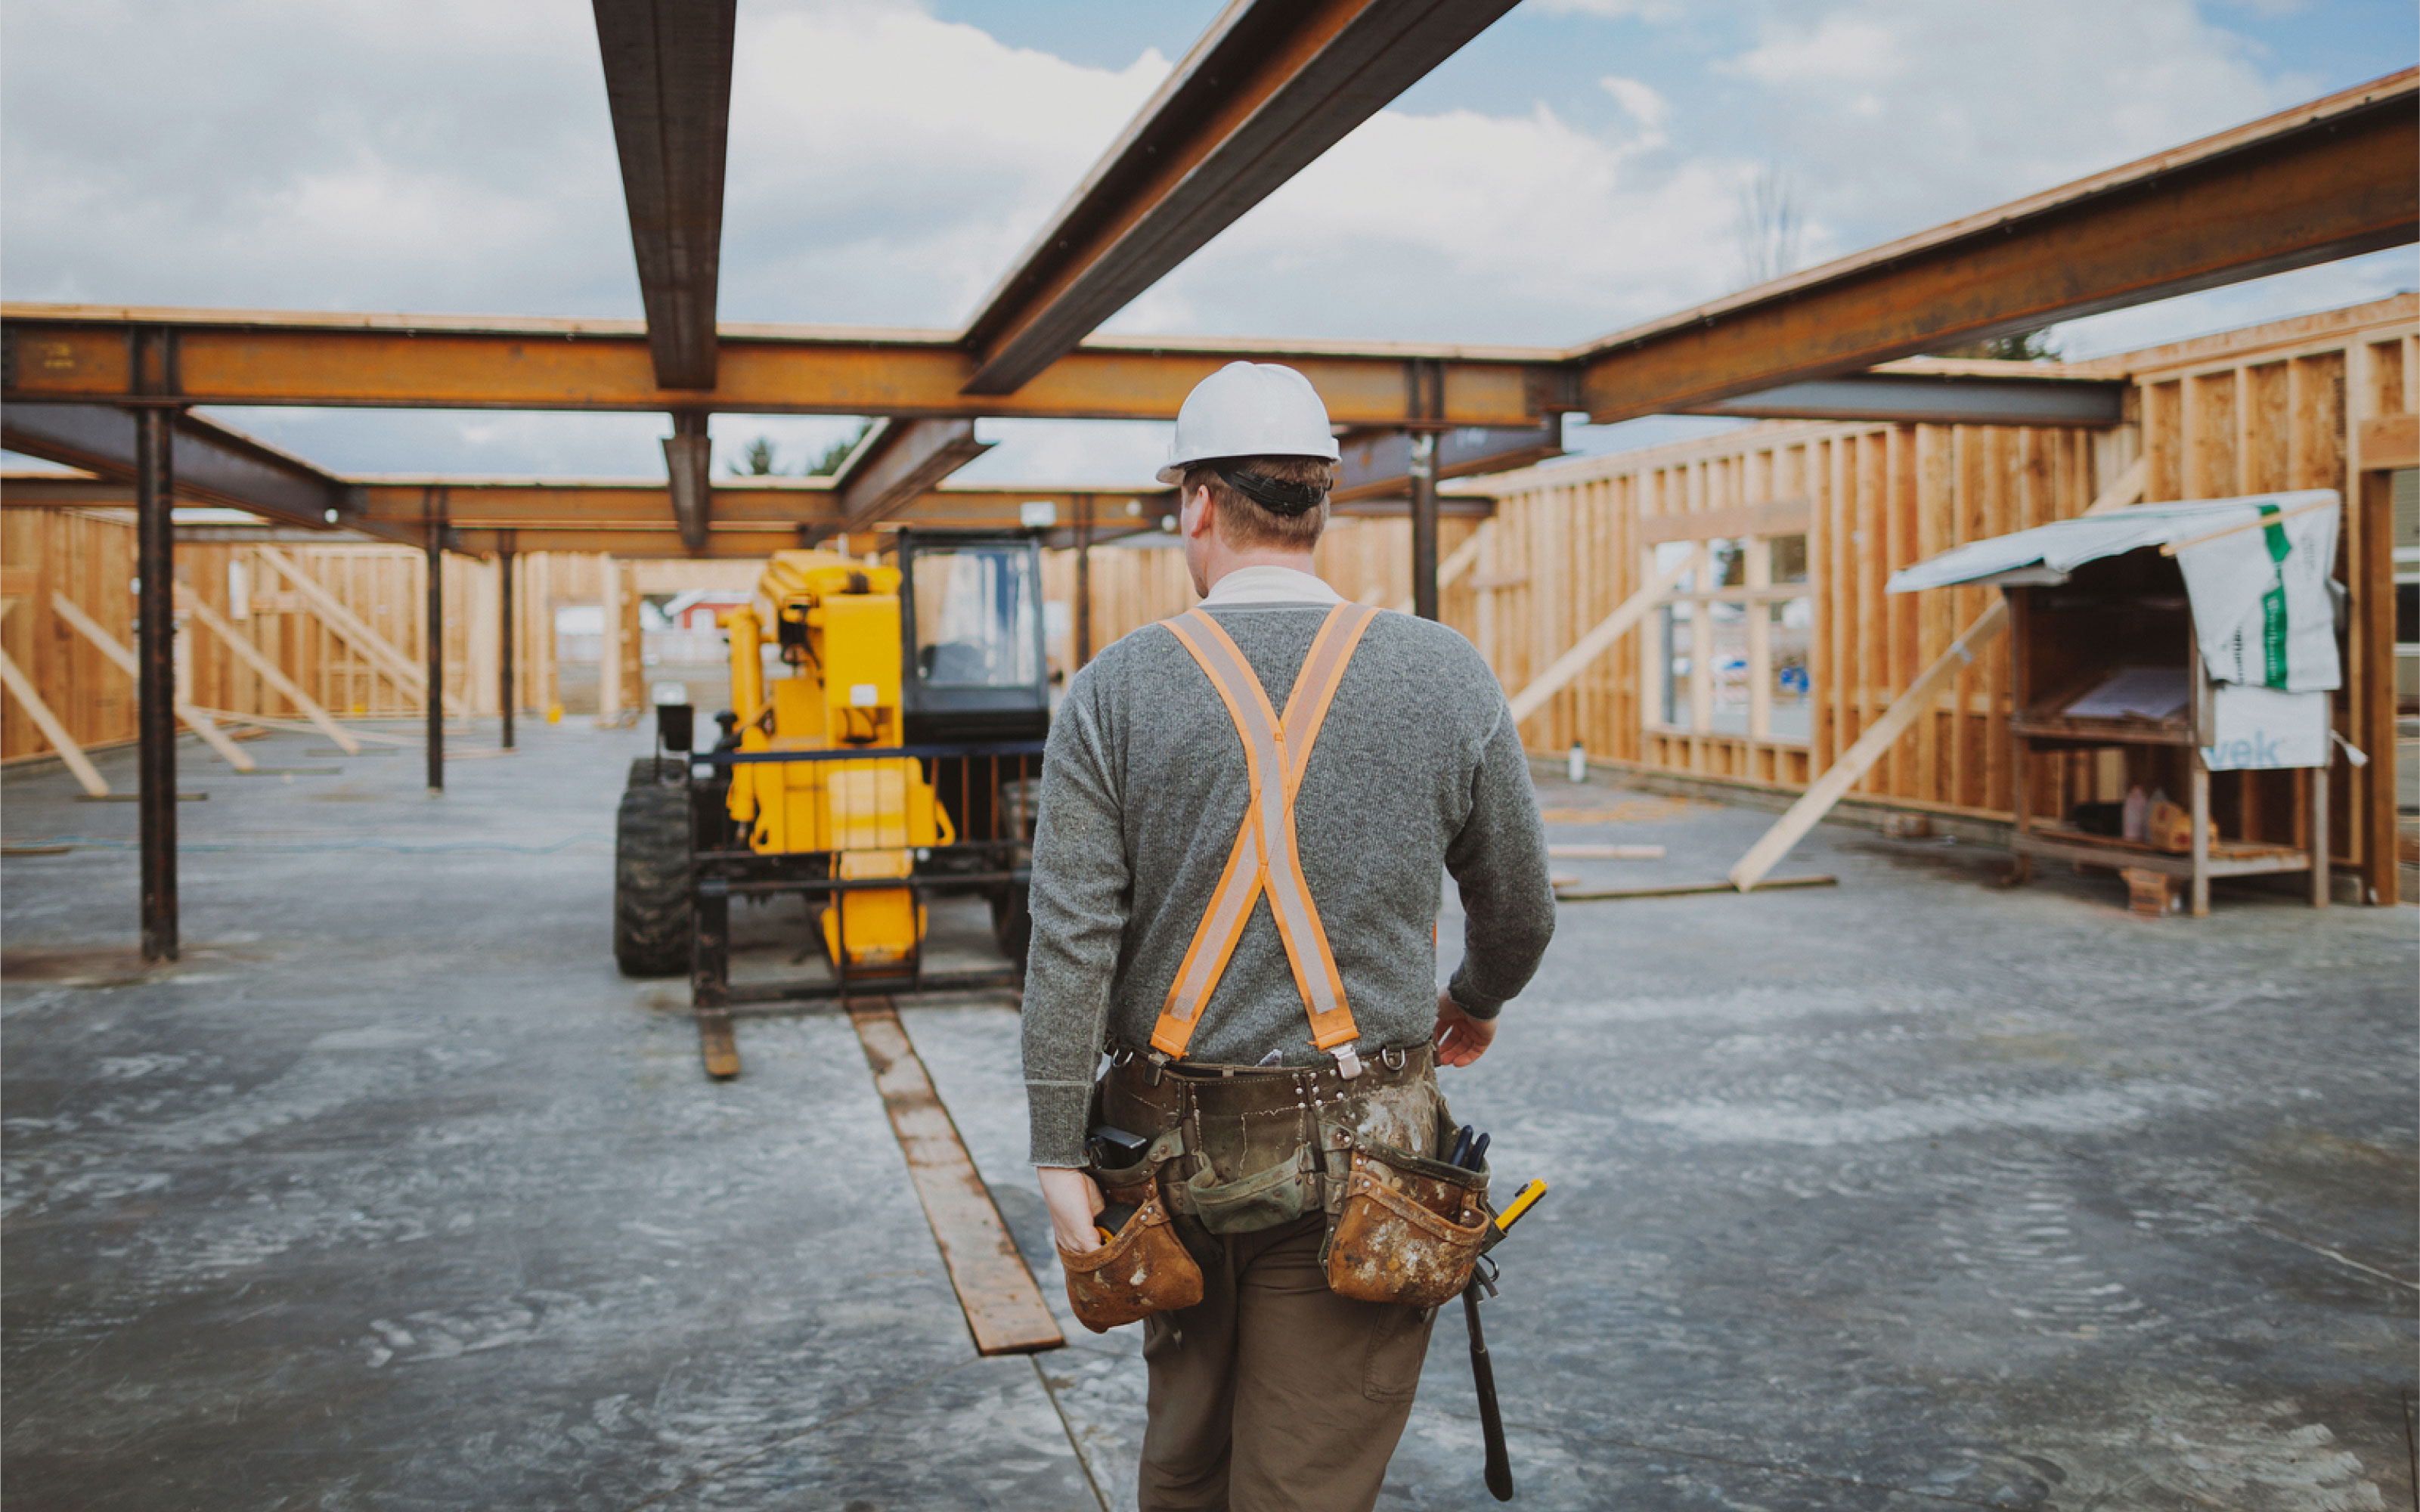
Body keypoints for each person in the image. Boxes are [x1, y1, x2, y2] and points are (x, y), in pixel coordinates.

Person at [1021, 361, 1555, 1511]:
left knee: (1188, 1459)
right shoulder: (1441, 673)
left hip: (1162, 1160)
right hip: (1365, 1158)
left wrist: (1056, 1149)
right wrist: (1476, 995)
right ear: (1320, 502)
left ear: (1197, 505)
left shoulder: (1114, 691)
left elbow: (1069, 942)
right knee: (1302, 1478)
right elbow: (1519, 910)